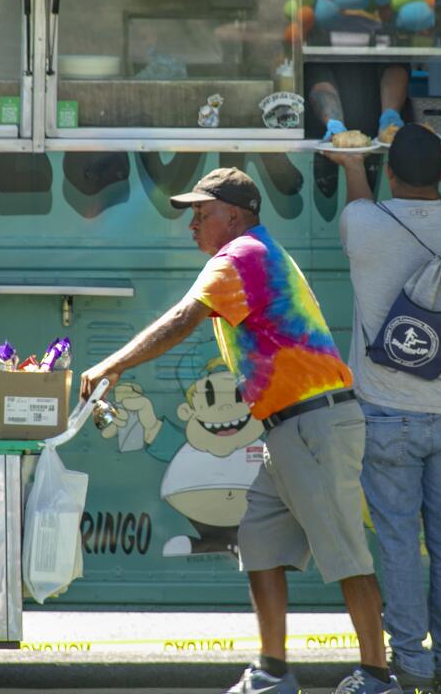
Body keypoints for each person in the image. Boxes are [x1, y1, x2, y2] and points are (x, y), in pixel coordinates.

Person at [79, 167, 397, 694]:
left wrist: (112, 366)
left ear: (235, 215)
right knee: (259, 545)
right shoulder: (253, 251)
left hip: (312, 422)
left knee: (345, 554)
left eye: (201, 214)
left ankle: (378, 676)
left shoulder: (241, 254)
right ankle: (272, 672)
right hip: (289, 428)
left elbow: (182, 319)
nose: (193, 225)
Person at [325, 124, 441, 694]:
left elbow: (361, 207)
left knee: (396, 542)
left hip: (385, 412)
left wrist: (351, 163)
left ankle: (410, 666)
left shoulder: (363, 222)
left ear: (390, 173)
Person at [306, 62, 413, 142]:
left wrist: (390, 115)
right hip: (327, 132)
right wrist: (334, 124)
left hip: (382, 134)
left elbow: (394, 59)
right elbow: (318, 74)